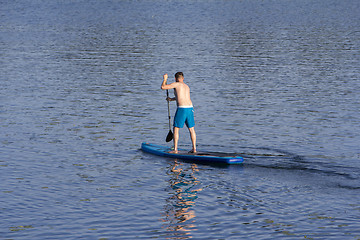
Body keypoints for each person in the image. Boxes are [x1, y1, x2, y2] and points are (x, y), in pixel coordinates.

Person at [161, 72, 196, 153]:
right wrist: (171, 99)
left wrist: (165, 79)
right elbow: (182, 97)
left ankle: (175, 149)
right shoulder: (186, 86)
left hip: (182, 109)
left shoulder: (176, 84)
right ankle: (194, 149)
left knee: (176, 129)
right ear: (183, 78)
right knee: (191, 129)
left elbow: (163, 87)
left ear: (175, 79)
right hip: (190, 108)